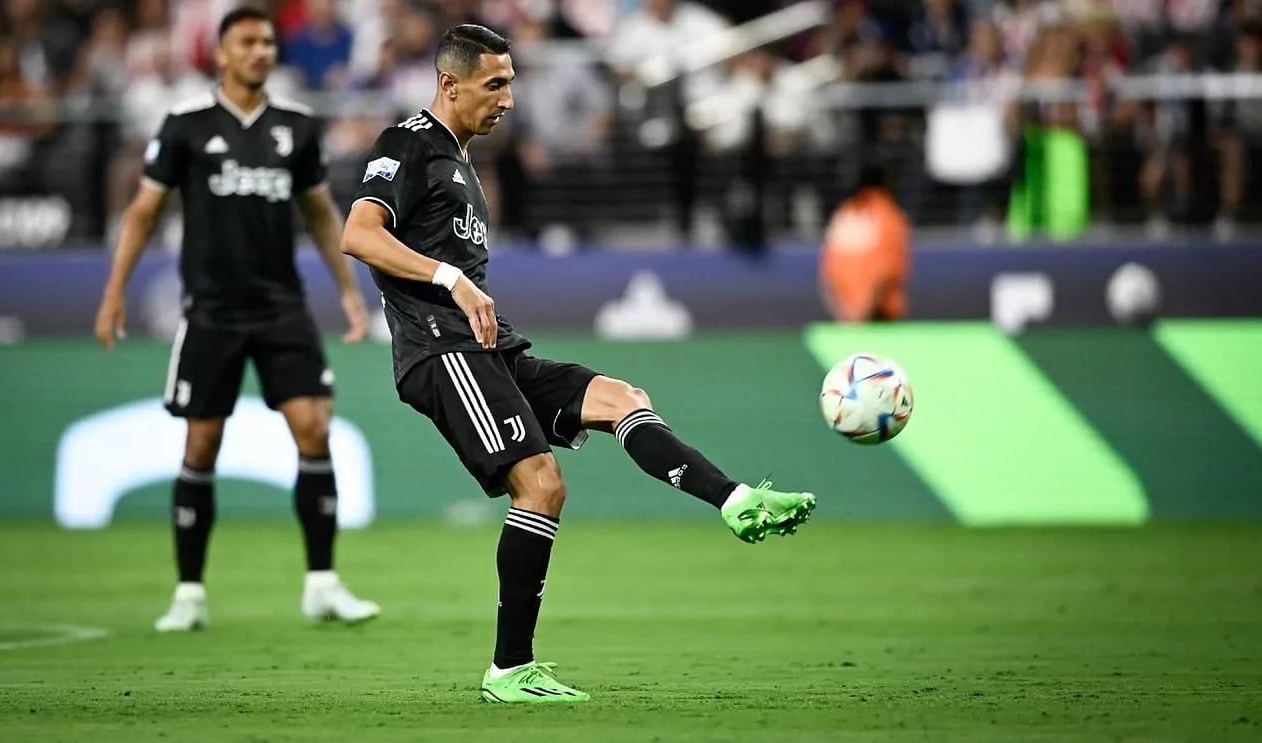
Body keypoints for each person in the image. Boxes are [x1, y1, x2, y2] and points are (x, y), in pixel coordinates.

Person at [340, 24, 816, 705]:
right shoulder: (409, 142)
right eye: (494, 85)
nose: (508, 99)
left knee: (622, 398)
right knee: (540, 483)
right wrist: (452, 279)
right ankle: (509, 669)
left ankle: (736, 500)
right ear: (449, 83)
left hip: (488, 349)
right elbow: (358, 233)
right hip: (440, 349)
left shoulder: (463, 162)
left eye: (510, 83)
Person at [93, 7, 379, 632]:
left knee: (314, 427)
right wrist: (114, 292)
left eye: (268, 42)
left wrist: (349, 292)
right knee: (201, 442)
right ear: (221, 54)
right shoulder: (186, 125)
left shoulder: (296, 127)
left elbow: (320, 214)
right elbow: (143, 212)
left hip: (281, 307)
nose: (260, 51)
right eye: (247, 42)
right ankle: (189, 593)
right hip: (212, 311)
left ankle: (323, 584)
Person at [819, 162, 910, 323]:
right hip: (877, 319)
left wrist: (845, 315)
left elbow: (829, 275)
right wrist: (861, 314)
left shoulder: (843, 214)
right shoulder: (887, 214)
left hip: (850, 319)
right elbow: (886, 270)